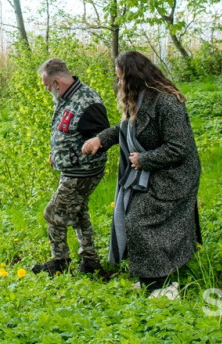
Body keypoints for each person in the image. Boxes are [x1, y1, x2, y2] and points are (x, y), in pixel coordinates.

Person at [81, 50, 202, 297]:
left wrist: (144, 159)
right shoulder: (140, 99)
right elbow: (126, 128)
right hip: (154, 171)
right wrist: (100, 139)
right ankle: (152, 278)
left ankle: (162, 285)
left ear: (134, 76)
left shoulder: (167, 102)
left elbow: (179, 147)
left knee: (140, 221)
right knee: (133, 218)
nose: (119, 83)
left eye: (121, 77)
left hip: (175, 175)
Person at [32, 58, 110, 276]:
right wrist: (57, 153)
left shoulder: (88, 101)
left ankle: (60, 261)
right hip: (72, 169)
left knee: (52, 213)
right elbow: (66, 130)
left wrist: (77, 156)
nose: (47, 90)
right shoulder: (66, 98)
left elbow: (102, 138)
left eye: (47, 85)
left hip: (82, 172)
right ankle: (90, 261)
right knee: (78, 212)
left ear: (57, 83)